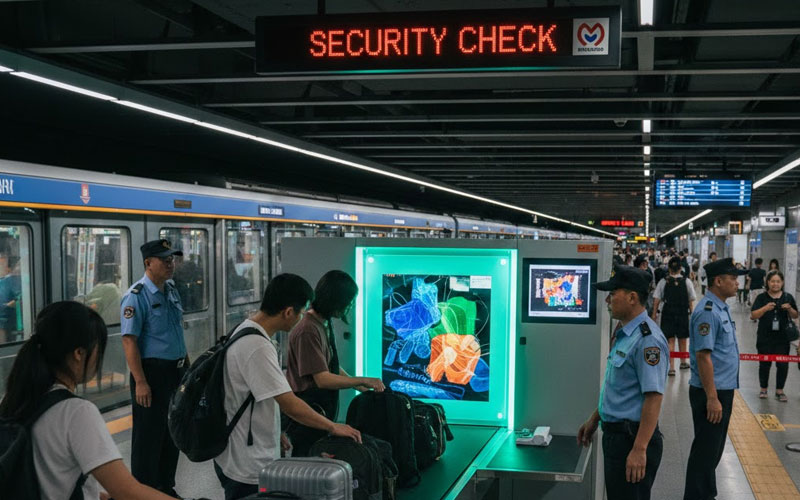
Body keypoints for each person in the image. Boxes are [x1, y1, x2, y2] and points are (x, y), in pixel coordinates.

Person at [0, 301, 183, 500]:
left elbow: (52, 477)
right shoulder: (76, 412)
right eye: (98, 349)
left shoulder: (16, 400)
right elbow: (127, 491)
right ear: (79, 353)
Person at [215, 273, 362, 500]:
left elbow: (263, 396)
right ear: (288, 312)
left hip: (248, 451)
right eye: (301, 311)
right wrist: (333, 426)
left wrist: (277, 431)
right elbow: (290, 403)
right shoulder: (257, 347)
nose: (302, 317)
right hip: (247, 464)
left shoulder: (246, 331)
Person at [577, 266, 668, 500]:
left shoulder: (648, 341)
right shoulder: (626, 332)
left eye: (613, 293)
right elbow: (620, 386)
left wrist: (639, 449)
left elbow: (653, 397)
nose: (607, 299)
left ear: (632, 297)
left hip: (632, 439)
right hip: (617, 437)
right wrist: (596, 417)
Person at [285, 270, 385, 457]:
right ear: (335, 301)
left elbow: (330, 367)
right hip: (308, 416)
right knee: (307, 466)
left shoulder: (323, 323)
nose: (350, 306)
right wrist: (361, 380)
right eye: (348, 301)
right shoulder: (308, 330)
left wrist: (363, 387)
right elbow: (322, 379)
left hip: (321, 411)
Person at [120, 239, 188, 497]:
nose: (171, 264)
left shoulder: (170, 289)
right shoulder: (136, 296)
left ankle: (165, 488)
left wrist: (187, 367)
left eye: (172, 259)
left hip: (176, 370)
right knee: (148, 436)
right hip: (151, 373)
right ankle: (144, 492)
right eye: (165, 260)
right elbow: (129, 341)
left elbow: (176, 332)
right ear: (148, 263)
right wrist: (140, 381)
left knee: (172, 432)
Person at [683, 258, 747, 500]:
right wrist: (712, 398)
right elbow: (703, 357)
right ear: (718, 281)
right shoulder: (707, 312)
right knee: (706, 452)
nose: (737, 284)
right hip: (711, 392)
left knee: (712, 451)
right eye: (732, 279)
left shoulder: (720, 307)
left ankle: (706, 495)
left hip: (721, 390)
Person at [750, 270, 798, 402]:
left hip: (782, 338)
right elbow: (753, 315)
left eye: (778, 281)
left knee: (782, 364)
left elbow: (795, 315)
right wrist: (765, 308)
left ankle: (780, 390)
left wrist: (789, 309)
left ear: (782, 283)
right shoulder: (761, 298)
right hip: (765, 337)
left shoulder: (788, 297)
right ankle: (763, 389)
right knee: (764, 363)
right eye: (772, 281)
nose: (775, 284)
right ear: (768, 282)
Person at [652, 256, 696, 376]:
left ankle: (671, 367)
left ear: (669, 269)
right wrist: (692, 314)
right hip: (682, 313)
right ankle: (683, 361)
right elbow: (691, 300)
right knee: (682, 339)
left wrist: (654, 315)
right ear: (680, 268)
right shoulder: (687, 281)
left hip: (668, 313)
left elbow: (656, 300)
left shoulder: (663, 282)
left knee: (670, 340)